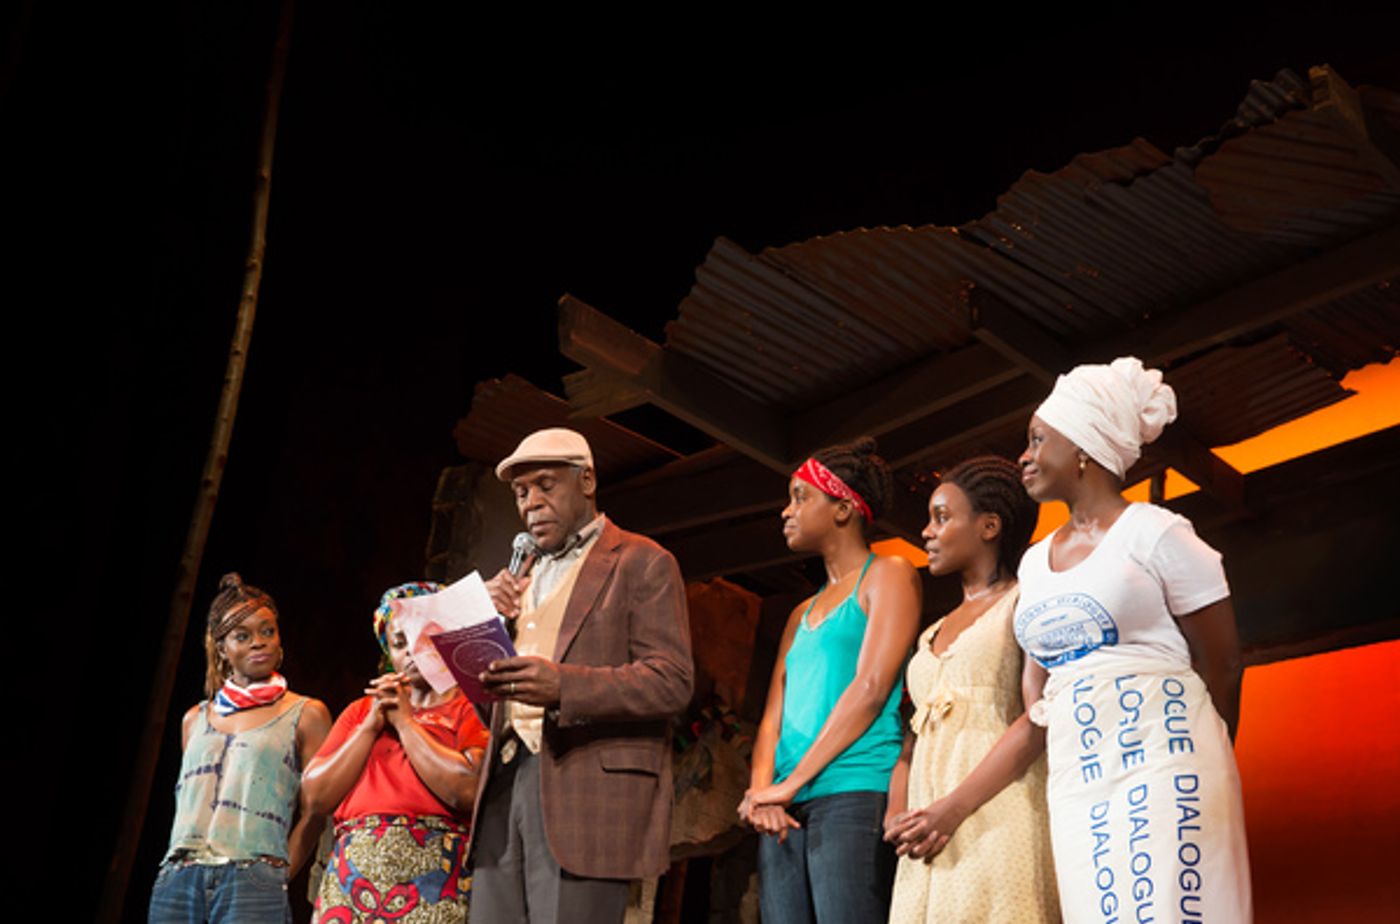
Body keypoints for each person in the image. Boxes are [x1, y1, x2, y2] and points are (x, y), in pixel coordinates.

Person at [1014, 357, 1251, 923]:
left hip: (1166, 759)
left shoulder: (1156, 533)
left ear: (1083, 449)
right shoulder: (1031, 565)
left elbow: (1224, 662)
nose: (1024, 456)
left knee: (1172, 909)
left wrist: (1200, 756)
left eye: (1037, 440)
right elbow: (1035, 676)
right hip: (1079, 775)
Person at [469, 427, 694, 924]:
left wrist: (565, 686)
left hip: (584, 790)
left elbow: (672, 680)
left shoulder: (642, 561)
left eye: (546, 485)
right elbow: (487, 699)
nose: (531, 503)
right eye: (522, 492)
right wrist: (481, 631)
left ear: (587, 480)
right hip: (506, 781)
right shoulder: (517, 574)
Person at [740, 437, 921, 924]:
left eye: (801, 497)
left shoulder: (889, 574)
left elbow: (871, 687)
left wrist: (789, 784)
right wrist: (763, 792)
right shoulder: (799, 612)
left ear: (842, 508)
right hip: (785, 805)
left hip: (853, 790)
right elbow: (772, 716)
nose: (786, 511)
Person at [883, 456, 1059, 922]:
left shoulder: (1025, 600)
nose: (926, 531)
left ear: (989, 526)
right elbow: (911, 738)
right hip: (927, 833)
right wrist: (896, 811)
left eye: (941, 517)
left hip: (994, 814)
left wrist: (953, 808)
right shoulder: (932, 631)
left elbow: (1037, 719)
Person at [149, 572, 332, 924]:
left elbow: (317, 810)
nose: (259, 643)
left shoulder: (305, 713)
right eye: (242, 636)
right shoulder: (194, 719)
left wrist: (277, 874)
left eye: (268, 631)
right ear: (222, 648)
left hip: (252, 877)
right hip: (178, 877)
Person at [303, 581, 489, 924]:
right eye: (399, 643)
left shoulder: (469, 708)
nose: (411, 652)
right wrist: (371, 726)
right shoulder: (361, 711)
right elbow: (316, 797)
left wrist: (405, 724)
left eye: (424, 637)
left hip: (433, 875)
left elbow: (466, 790)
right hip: (353, 876)